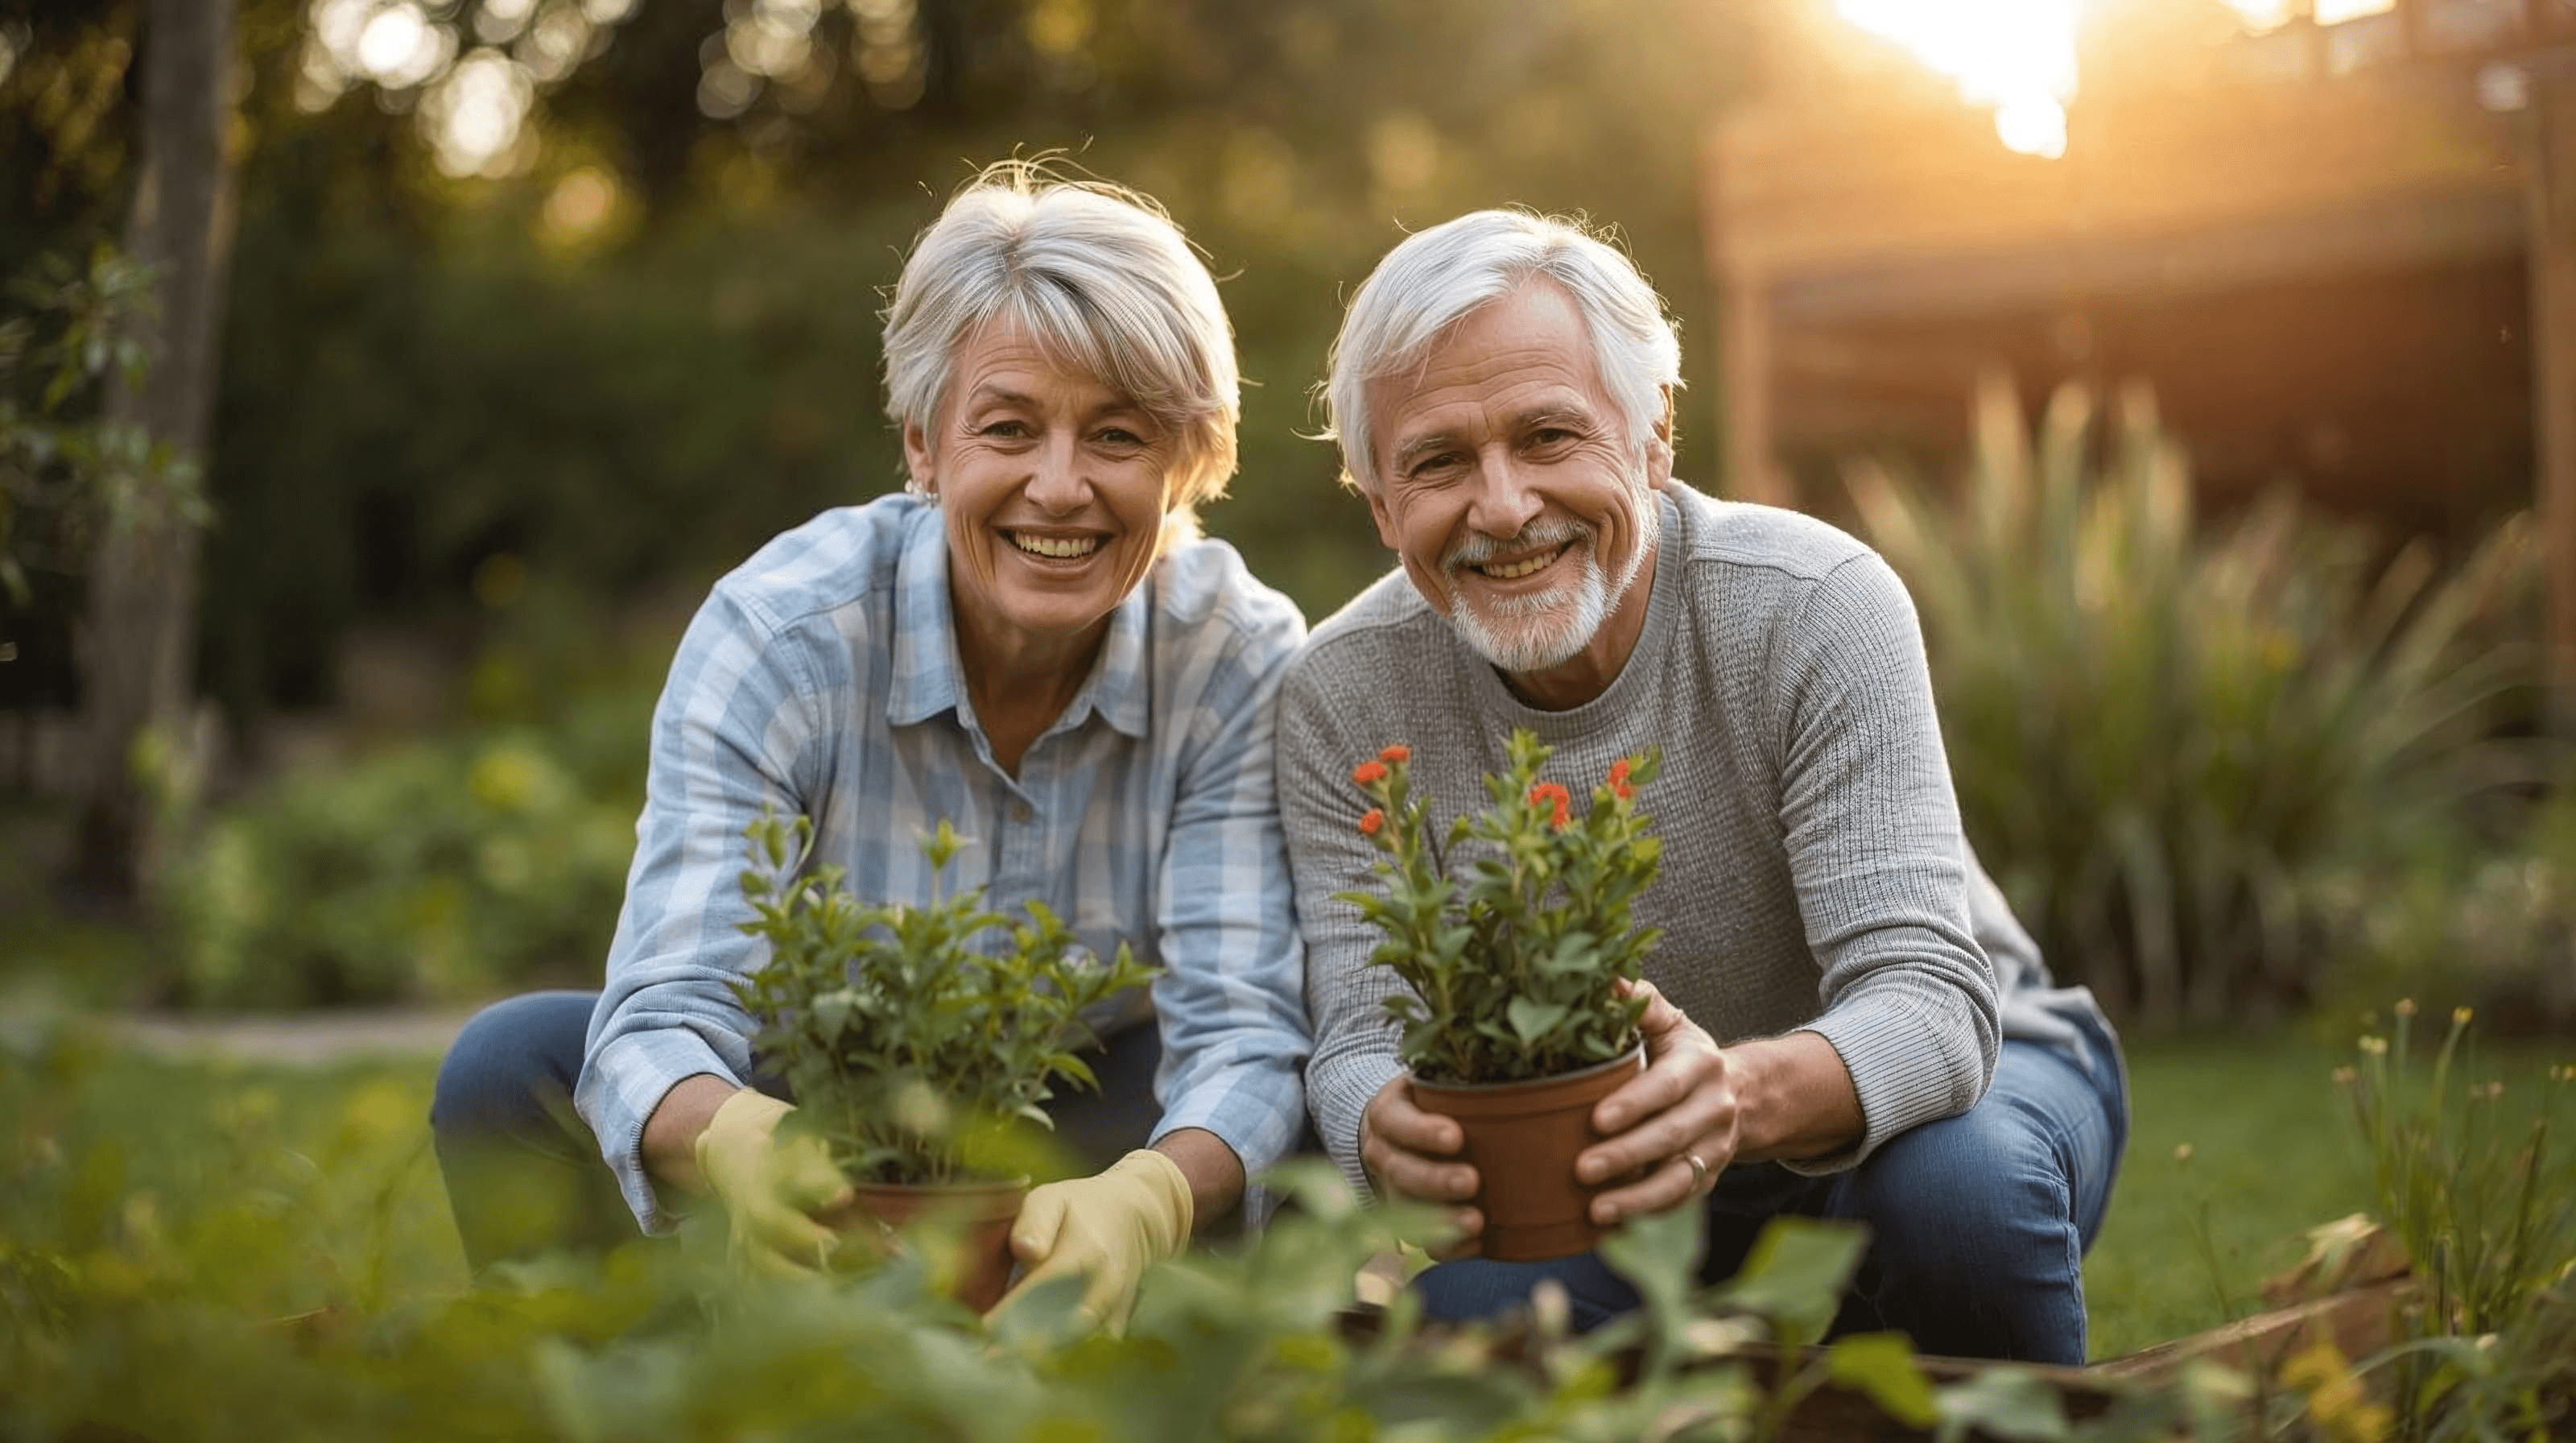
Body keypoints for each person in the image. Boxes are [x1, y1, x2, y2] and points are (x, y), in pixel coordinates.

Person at [430, 164, 1311, 1327]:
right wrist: (742, 1140)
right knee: (511, 1069)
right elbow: (662, 1009)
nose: (1061, 488)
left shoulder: (1237, 655)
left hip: (1095, 1124)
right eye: (1008, 428)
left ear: (1187, 461)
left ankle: (1152, 1362)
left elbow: (1243, 1029)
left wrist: (1149, 1198)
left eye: (1118, 435)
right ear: (922, 447)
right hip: (826, 1108)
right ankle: (659, 1378)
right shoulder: (783, 636)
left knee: (1285, 1138)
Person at [1277, 209, 2127, 1364]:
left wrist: (1731, 1095)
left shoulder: (1813, 603)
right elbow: (1360, 1037)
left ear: (1654, 436)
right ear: (1379, 505)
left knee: (1957, 1206)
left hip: (1950, 1085)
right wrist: (1379, 1129)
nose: (1503, 506)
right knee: (1481, 1325)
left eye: (1548, 436)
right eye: (1437, 461)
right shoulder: (1341, 694)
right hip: (1599, 1156)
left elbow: (1928, 1000)